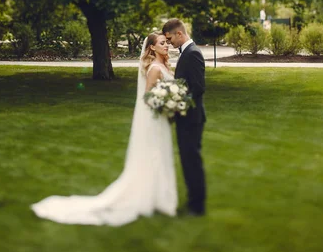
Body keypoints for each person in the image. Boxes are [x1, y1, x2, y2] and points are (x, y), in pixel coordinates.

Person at [31, 32, 177, 226]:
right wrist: (166, 102)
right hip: (155, 119)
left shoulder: (164, 65)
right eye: (162, 43)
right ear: (151, 47)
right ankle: (148, 197)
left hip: (161, 120)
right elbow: (147, 97)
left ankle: (159, 196)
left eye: (167, 43)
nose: (166, 45)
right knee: (153, 154)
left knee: (160, 154)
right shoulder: (154, 69)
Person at [162, 19, 207, 216]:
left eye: (170, 38)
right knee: (188, 161)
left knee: (192, 161)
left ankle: (197, 207)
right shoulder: (187, 52)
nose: (169, 42)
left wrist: (176, 103)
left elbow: (197, 88)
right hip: (185, 118)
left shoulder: (193, 53)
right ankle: (193, 202)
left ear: (179, 34)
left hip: (191, 118)